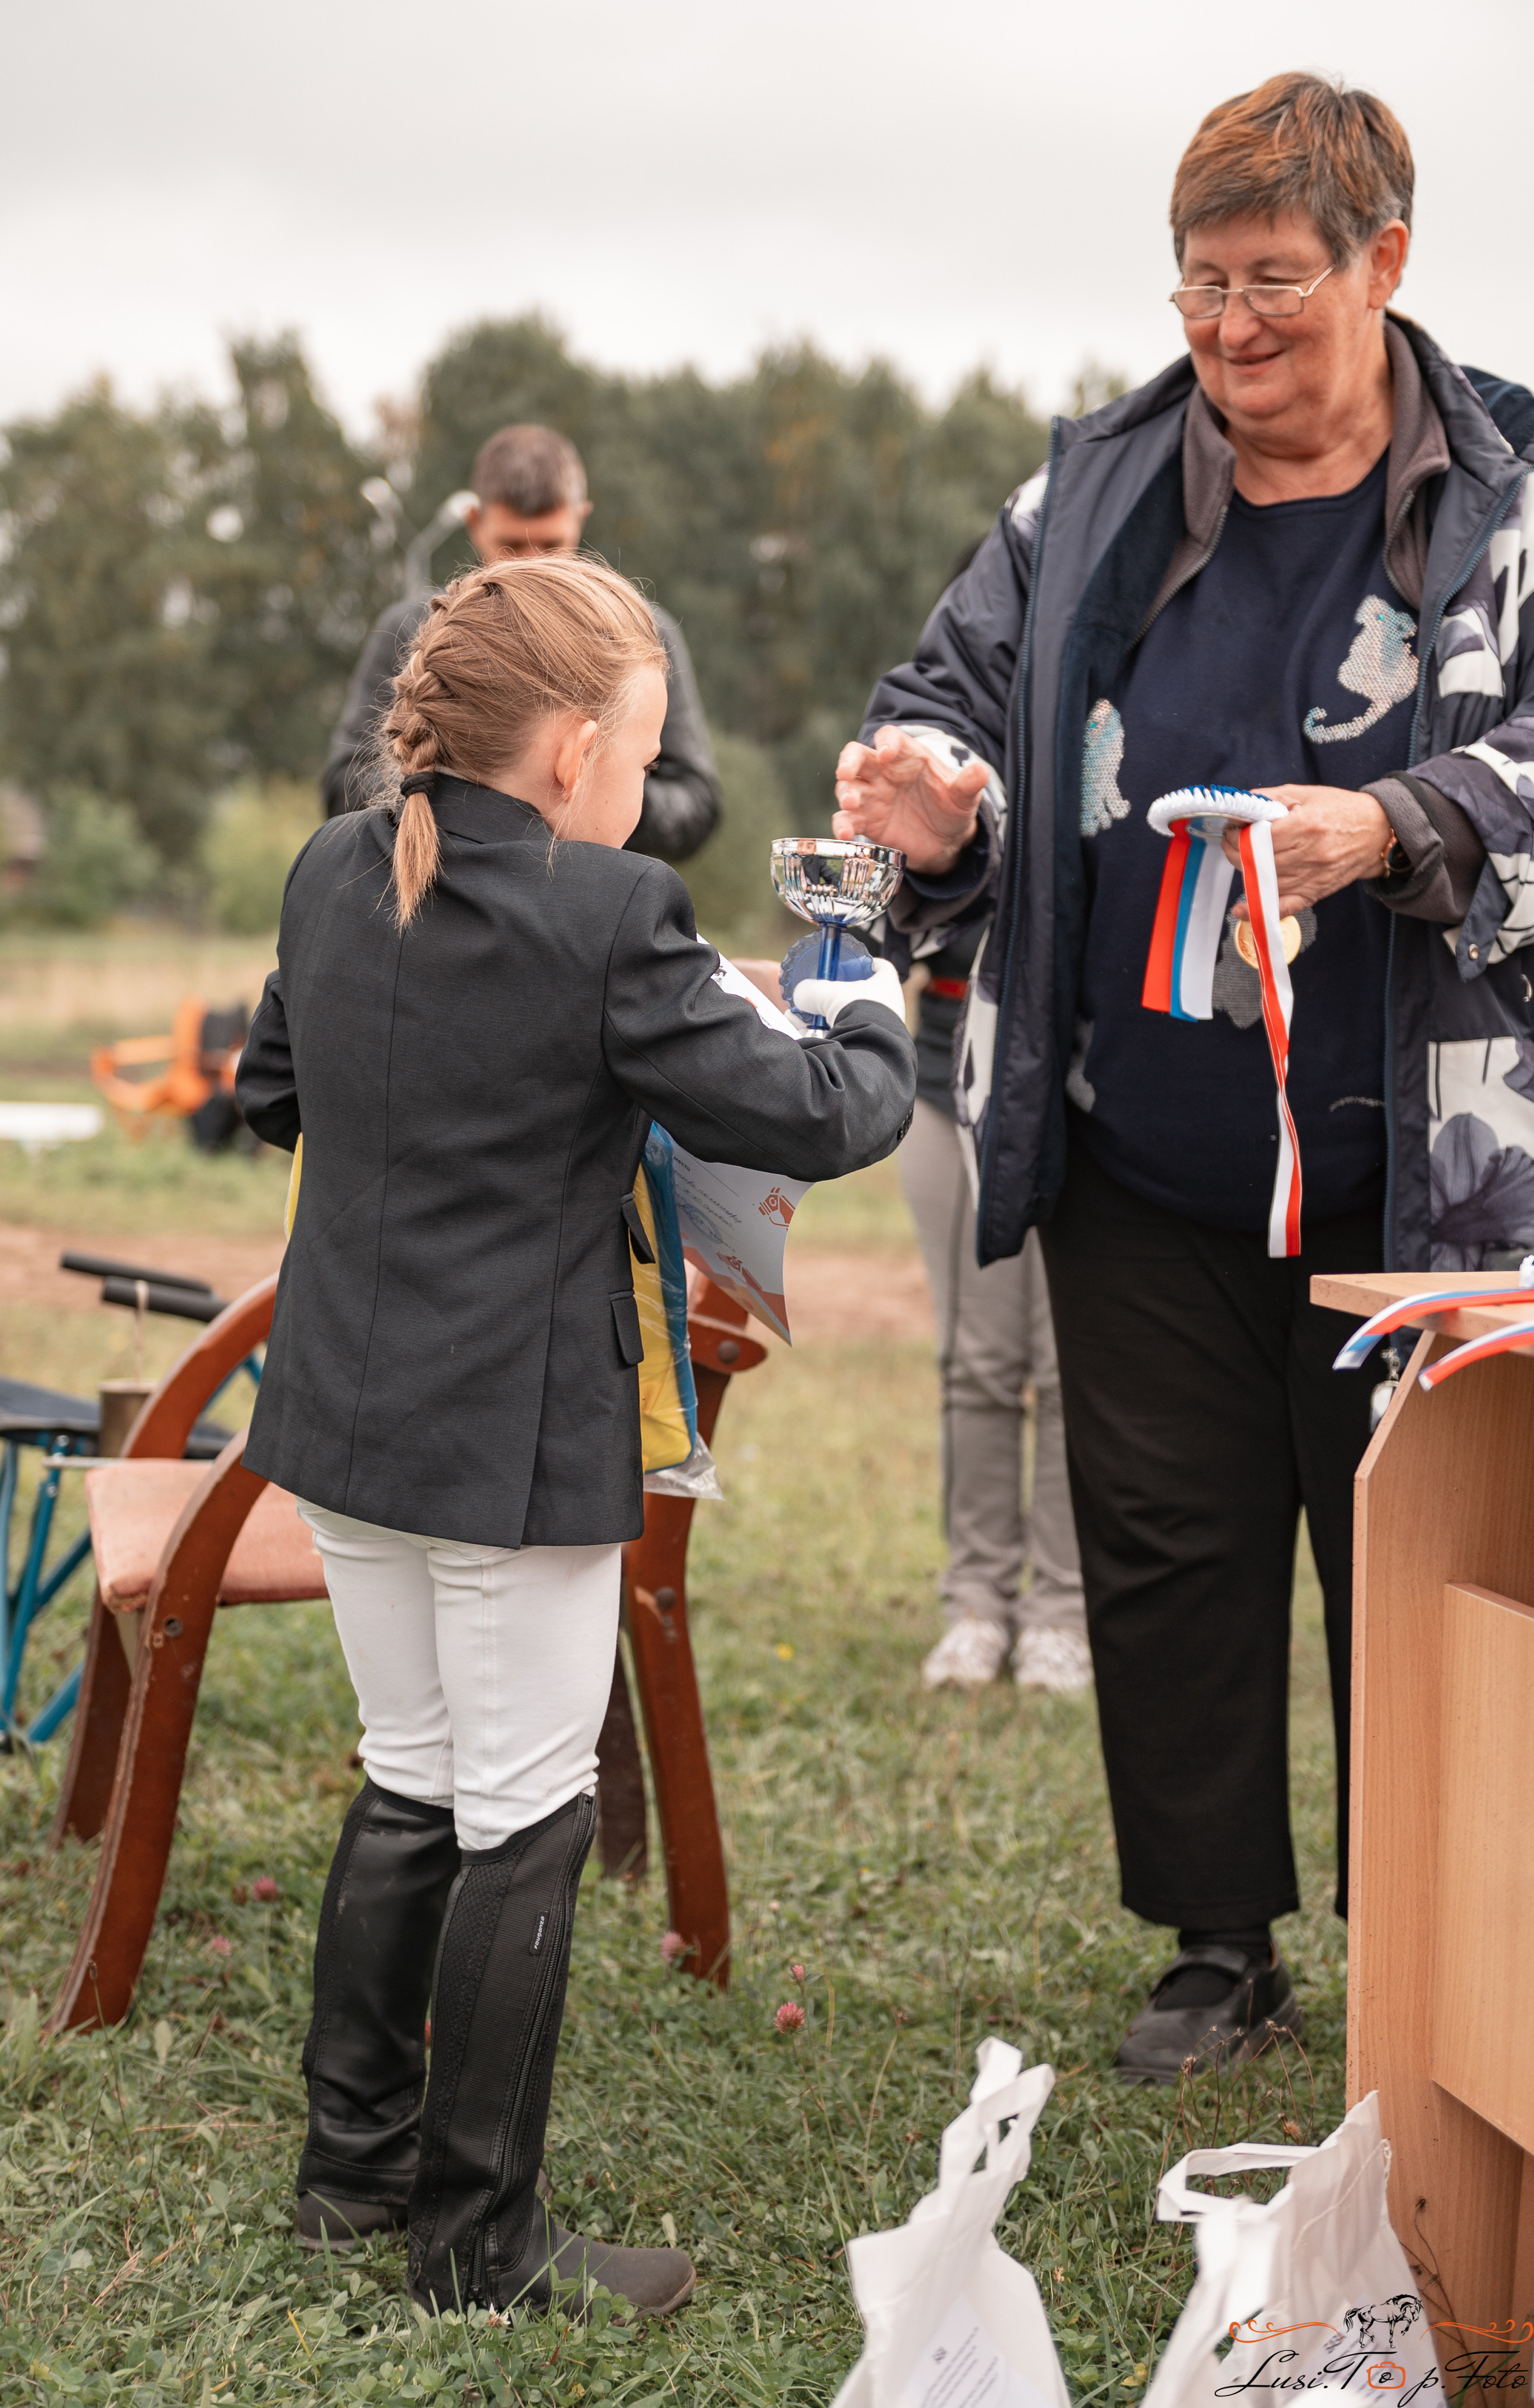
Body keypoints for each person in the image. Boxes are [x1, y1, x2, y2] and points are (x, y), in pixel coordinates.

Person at [832, 73, 1534, 2083]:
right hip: (1137, 1149)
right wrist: (930, 791)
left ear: (1384, 263)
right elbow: (942, 700)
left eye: (1275, 284)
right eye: (1200, 285)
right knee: (1164, 1546)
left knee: (1421, 1569)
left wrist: (1396, 819)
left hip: (1420, 1186)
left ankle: (1434, 1926)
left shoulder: (1506, 488)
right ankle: (1216, 1945)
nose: (1229, 330)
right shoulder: (1091, 493)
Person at [236, 555, 914, 2312]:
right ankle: (478, 2239)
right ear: (563, 748)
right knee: (523, 1814)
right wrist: (866, 982)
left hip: (343, 1415)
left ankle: (349, 2178)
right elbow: (835, 1112)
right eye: (643, 748)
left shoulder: (328, 867)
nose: (645, 782)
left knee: (410, 1776)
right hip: (515, 1437)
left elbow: (271, 1092)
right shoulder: (615, 917)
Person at [321, 423, 722, 862]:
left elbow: (697, 803)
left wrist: (605, 790)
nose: (532, 564)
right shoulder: (409, 629)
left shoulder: (641, 635)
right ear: (476, 523)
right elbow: (345, 785)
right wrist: (476, 801)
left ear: (579, 518)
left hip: (598, 907)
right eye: (511, 545)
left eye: (551, 544)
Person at [895, 911, 1089, 1694]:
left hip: (1088, 1088)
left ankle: (1063, 1613)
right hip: (952, 1079)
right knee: (976, 1362)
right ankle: (975, 1604)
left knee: (1066, 1369)